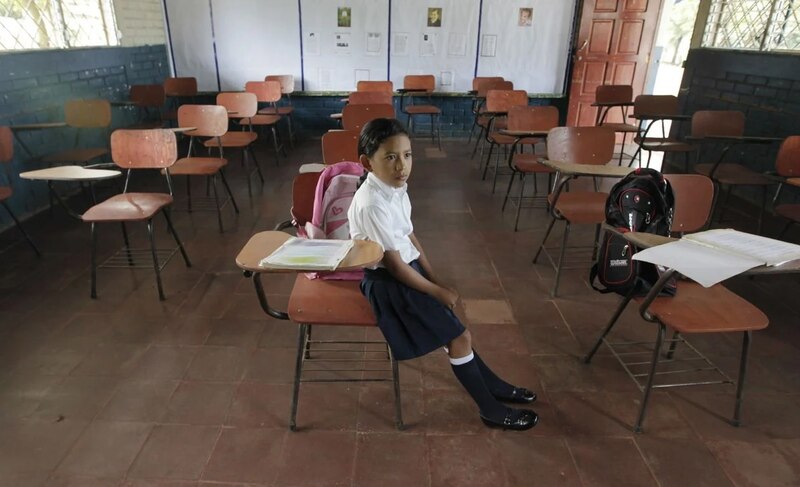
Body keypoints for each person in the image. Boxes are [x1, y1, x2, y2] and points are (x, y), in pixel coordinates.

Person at [348, 118, 538, 430]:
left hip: (409, 273)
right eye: (391, 157)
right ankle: (490, 408)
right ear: (367, 163)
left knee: (455, 332)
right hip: (390, 284)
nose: (402, 166)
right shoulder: (371, 203)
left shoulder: (395, 190)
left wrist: (435, 278)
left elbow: (410, 238)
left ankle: (495, 386)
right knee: (459, 336)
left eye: (407, 155)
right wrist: (436, 291)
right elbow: (394, 266)